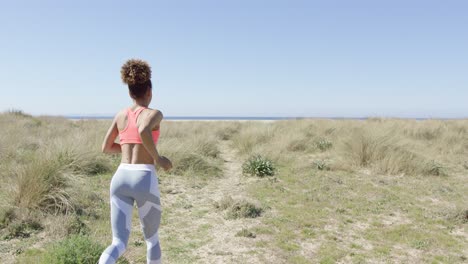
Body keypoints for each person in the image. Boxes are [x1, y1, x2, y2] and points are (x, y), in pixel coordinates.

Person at [99, 59, 172, 264]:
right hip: (144, 178)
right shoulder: (155, 113)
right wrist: (158, 159)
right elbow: (143, 130)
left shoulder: (121, 115)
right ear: (149, 90)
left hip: (120, 176)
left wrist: (126, 149)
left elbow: (105, 147)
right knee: (151, 240)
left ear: (130, 92)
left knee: (118, 243)